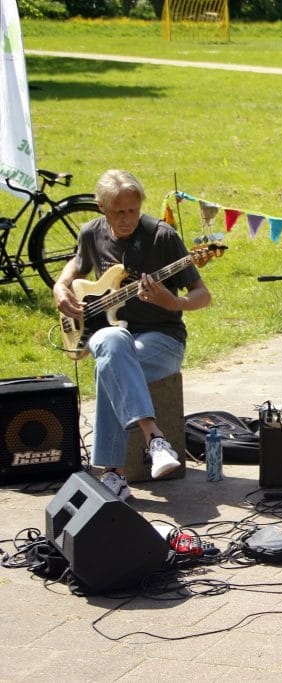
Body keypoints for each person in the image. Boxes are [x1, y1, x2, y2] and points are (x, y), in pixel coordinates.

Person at [52, 169, 212, 501]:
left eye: (132, 211)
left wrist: (173, 301)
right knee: (113, 343)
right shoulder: (90, 233)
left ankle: (113, 476)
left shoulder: (162, 237)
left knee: (109, 365)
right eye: (118, 212)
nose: (126, 219)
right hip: (105, 333)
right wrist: (60, 284)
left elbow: (202, 294)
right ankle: (156, 439)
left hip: (161, 339)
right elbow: (78, 264)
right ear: (101, 208)